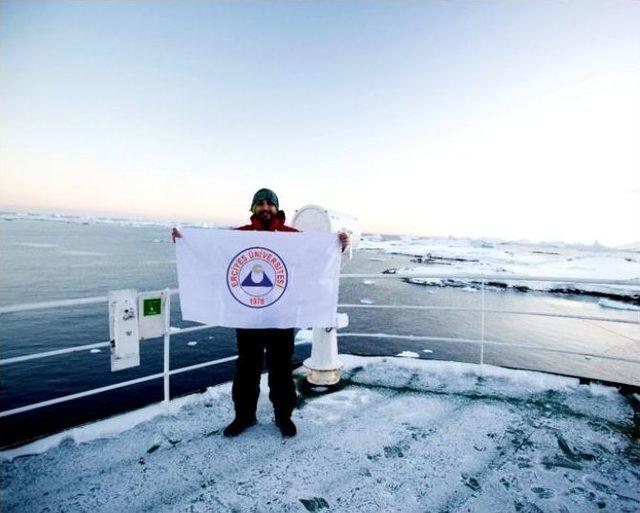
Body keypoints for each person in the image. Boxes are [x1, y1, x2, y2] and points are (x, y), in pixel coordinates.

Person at [172, 188, 349, 438]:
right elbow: (214, 254)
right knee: (246, 369)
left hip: (281, 317)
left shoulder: (292, 237)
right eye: (260, 203)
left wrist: (337, 245)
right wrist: (185, 241)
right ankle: (244, 417)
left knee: (280, 370)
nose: (265, 208)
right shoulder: (240, 236)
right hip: (248, 317)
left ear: (277, 208)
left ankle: (283, 416)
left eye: (270, 204)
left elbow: (313, 259)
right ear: (253, 208)